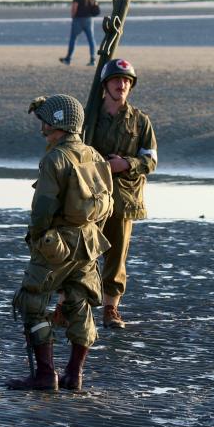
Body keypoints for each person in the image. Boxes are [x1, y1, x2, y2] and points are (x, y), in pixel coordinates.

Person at [8, 94, 113, 391]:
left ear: (57, 124)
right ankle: (74, 375)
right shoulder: (94, 155)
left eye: (44, 121)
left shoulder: (54, 158)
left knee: (31, 303)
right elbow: (109, 204)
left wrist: (37, 238)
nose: (41, 126)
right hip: (89, 241)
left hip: (57, 244)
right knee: (80, 303)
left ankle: (45, 374)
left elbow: (42, 208)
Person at [89, 58, 157, 328]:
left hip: (123, 198)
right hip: (90, 196)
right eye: (117, 80)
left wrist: (126, 163)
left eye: (127, 81)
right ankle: (69, 306)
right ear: (106, 85)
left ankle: (110, 309)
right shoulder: (89, 117)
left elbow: (150, 160)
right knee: (82, 252)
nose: (122, 85)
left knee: (116, 257)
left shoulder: (140, 121)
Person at [58, 0, 98, 66]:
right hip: (89, 18)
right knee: (91, 39)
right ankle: (93, 59)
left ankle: (68, 59)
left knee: (73, 38)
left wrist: (72, 15)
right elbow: (95, 4)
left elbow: (75, 6)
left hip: (79, 18)